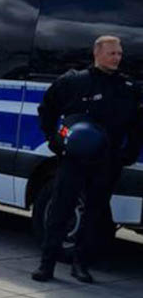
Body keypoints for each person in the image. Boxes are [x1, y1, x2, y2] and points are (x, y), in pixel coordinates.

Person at [32, 36, 143, 284]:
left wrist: (129, 152)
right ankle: (46, 265)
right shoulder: (74, 81)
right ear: (97, 53)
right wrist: (54, 140)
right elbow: (47, 109)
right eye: (112, 53)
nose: (117, 58)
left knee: (94, 215)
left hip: (107, 161)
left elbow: (137, 125)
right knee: (60, 210)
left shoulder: (127, 87)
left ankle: (80, 265)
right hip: (75, 159)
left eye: (119, 54)